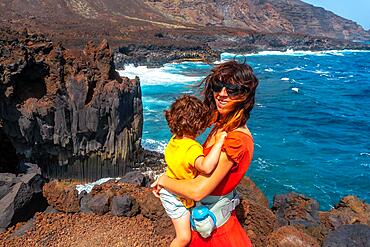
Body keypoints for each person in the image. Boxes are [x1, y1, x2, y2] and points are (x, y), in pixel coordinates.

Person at [152, 60, 259, 246]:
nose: (222, 94)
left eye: (232, 89)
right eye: (218, 86)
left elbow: (197, 191)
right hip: (202, 227)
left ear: (245, 95)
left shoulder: (236, 140)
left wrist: (163, 180)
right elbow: (187, 119)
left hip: (218, 236)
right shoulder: (220, 122)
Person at [160, 95, 227, 247]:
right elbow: (206, 167)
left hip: (170, 190)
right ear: (198, 126)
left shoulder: (176, 139)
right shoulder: (192, 148)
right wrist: (219, 143)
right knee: (183, 238)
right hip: (175, 198)